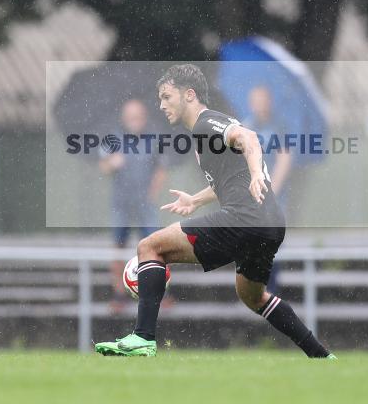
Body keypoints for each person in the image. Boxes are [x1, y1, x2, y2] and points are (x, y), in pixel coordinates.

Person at [95, 64, 335, 358]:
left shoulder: (208, 123)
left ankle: (143, 337)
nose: (161, 104)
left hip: (245, 218)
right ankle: (320, 355)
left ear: (189, 95)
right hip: (269, 222)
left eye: (167, 96)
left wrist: (258, 173)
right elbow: (231, 178)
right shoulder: (204, 133)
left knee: (150, 246)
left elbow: (249, 138)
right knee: (254, 297)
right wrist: (196, 200)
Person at [98, 99, 167, 309]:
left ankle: (157, 294)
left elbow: (161, 169)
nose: (134, 121)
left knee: (155, 248)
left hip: (145, 205)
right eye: (130, 116)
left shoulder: (153, 139)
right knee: (118, 247)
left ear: (143, 117)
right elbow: (103, 166)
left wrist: (152, 193)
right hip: (121, 203)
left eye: (138, 116)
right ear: (124, 118)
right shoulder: (113, 138)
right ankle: (119, 295)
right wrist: (112, 162)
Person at [241, 86, 292, 294]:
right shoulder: (246, 126)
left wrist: (271, 189)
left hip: (273, 194)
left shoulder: (279, 126)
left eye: (263, 100)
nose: (260, 105)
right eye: (256, 100)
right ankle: (251, 290)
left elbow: (285, 159)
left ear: (269, 102)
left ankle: (271, 290)